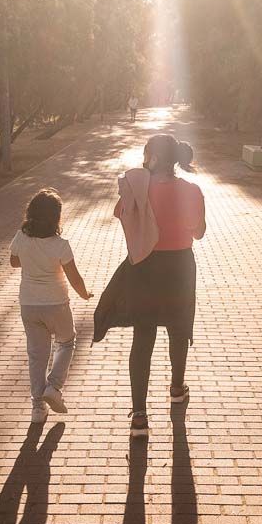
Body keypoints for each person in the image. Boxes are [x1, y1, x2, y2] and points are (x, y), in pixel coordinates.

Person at [96, 133, 206, 437]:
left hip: (145, 267)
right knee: (178, 329)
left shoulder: (139, 188)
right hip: (180, 267)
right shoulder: (191, 190)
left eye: (146, 155)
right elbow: (199, 232)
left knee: (143, 338)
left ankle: (140, 417)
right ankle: (176, 389)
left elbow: (120, 213)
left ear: (154, 158)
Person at [10, 188, 92, 424]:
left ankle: (38, 407)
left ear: (31, 213)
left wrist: (31, 258)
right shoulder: (60, 245)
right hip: (56, 303)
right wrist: (84, 294)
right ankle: (53, 386)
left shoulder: (21, 237)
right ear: (56, 217)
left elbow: (14, 262)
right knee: (66, 342)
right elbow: (74, 277)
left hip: (29, 304)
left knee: (37, 355)